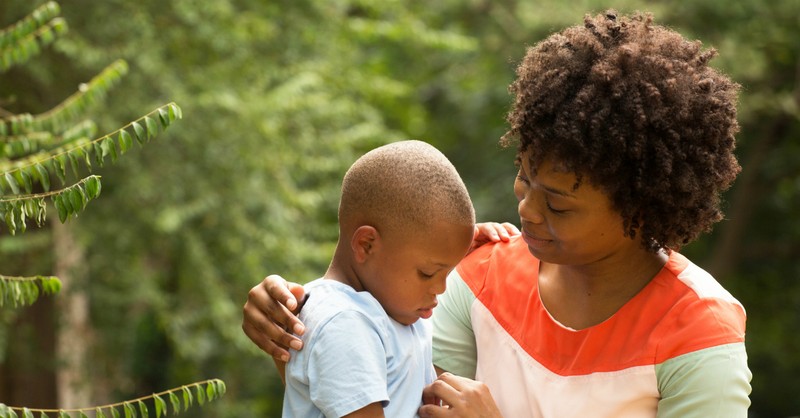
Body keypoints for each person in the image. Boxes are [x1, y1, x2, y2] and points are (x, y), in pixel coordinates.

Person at [242, 10, 752, 417]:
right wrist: (297, 331)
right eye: (525, 177)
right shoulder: (478, 277)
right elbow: (372, 391)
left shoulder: (698, 334)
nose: (525, 210)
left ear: (639, 208)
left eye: (557, 204)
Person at [279, 140, 478, 417]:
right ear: (366, 245)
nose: (441, 288)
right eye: (428, 273)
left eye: (449, 271)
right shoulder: (344, 322)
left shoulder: (391, 309)